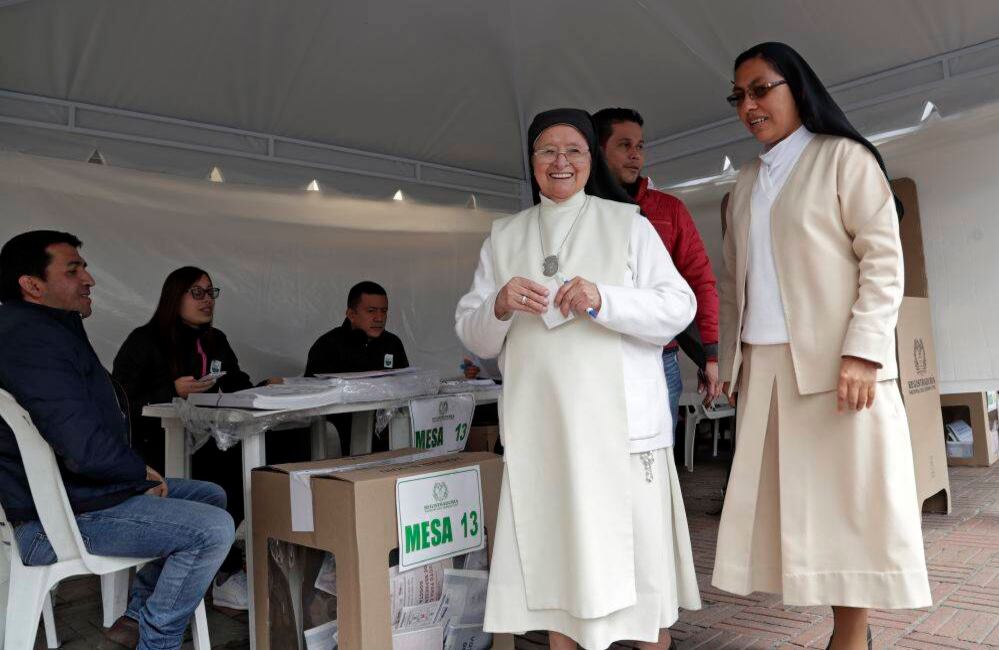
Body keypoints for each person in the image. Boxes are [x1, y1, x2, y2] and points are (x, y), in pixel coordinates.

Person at [711, 43, 931, 650]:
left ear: (797, 87)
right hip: (769, 371)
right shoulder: (748, 179)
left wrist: (863, 352)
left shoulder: (844, 159)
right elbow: (735, 282)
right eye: (739, 96)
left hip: (838, 370)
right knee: (798, 520)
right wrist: (729, 361)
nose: (749, 105)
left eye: (761, 89)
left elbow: (884, 262)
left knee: (848, 512)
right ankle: (846, 636)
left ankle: (851, 637)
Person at [456, 108, 701, 650]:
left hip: (622, 433)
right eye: (547, 150)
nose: (560, 161)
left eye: (574, 150)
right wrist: (496, 305)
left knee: (642, 576)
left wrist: (603, 298)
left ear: (592, 160)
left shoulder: (628, 224)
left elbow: (678, 306)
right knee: (560, 569)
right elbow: (472, 334)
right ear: (532, 161)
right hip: (545, 434)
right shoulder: (503, 237)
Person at [0, 231, 235, 650]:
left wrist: (133, 476)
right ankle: (156, 639)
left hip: (77, 495)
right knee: (213, 529)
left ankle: (135, 618)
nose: (89, 279)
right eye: (73, 270)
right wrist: (136, 475)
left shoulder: (50, 329)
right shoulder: (28, 339)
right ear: (32, 285)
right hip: (56, 518)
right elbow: (80, 444)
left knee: (210, 495)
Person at [113, 266, 276, 611]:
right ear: (175, 297)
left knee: (274, 449)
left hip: (205, 442)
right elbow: (119, 403)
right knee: (230, 466)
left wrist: (263, 390)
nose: (207, 301)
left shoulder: (216, 340)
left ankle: (240, 560)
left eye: (210, 292)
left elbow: (234, 385)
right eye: (197, 293)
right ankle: (223, 571)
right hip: (154, 450)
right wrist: (170, 391)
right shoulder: (145, 341)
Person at [594, 108, 722, 427]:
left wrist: (710, 356)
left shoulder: (669, 210)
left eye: (640, 146)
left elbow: (700, 282)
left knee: (658, 468)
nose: (636, 155)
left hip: (660, 356)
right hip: (596, 357)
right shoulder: (579, 212)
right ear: (598, 149)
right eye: (624, 145)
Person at [305, 281, 409, 455]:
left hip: (385, 438)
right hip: (337, 440)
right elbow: (311, 398)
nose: (379, 318)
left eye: (384, 311)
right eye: (371, 311)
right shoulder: (327, 345)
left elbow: (406, 385)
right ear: (351, 314)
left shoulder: (393, 343)